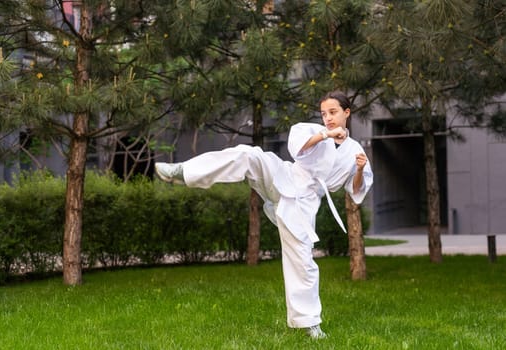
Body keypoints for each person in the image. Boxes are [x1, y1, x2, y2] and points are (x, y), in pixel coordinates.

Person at [155, 91, 373, 339]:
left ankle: (310, 323)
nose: (328, 118)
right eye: (324, 113)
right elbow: (297, 148)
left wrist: (359, 169)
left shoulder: (354, 150)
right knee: (251, 155)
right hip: (285, 176)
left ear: (347, 112)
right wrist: (326, 134)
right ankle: (185, 171)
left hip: (304, 204)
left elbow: (356, 190)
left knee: (303, 263)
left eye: (333, 113)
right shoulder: (313, 130)